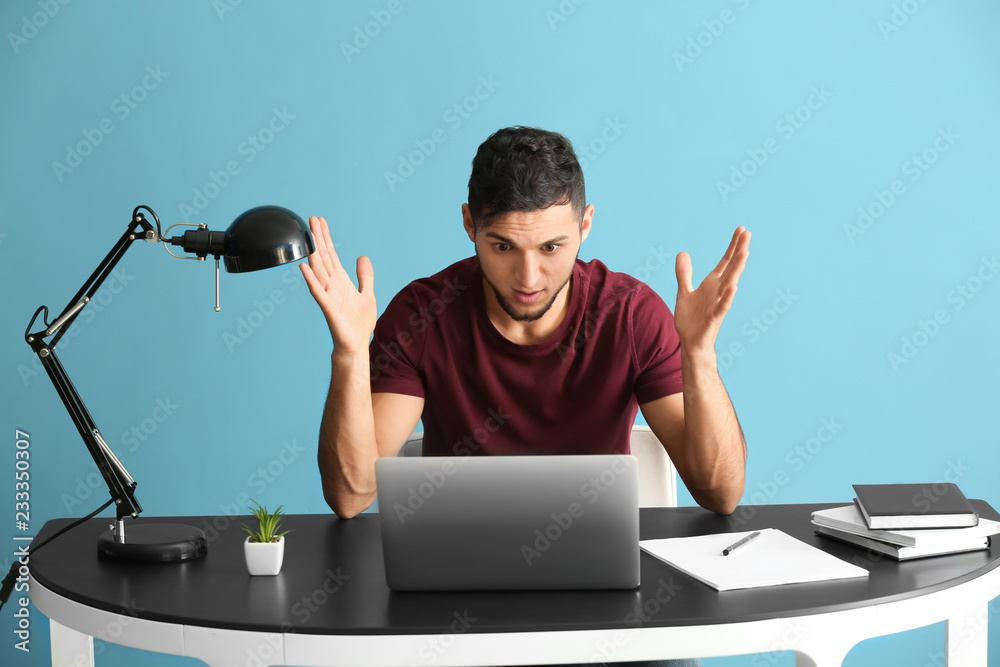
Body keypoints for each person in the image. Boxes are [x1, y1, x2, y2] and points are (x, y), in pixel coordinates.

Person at [302, 126, 749, 667]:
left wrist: (699, 355)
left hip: (605, 604)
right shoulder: (423, 312)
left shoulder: (630, 313)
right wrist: (350, 354)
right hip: (456, 602)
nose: (528, 276)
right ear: (470, 224)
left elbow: (721, 492)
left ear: (585, 226)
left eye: (552, 247)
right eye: (502, 246)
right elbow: (351, 495)